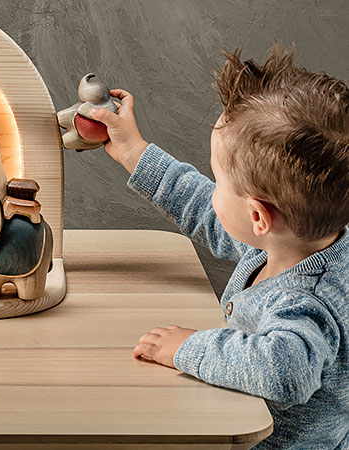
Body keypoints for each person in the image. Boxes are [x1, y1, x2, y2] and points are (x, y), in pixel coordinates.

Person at [88, 45, 348, 449]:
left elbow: (287, 372)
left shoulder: (306, 302)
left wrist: (187, 347)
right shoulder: (291, 240)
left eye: (219, 181)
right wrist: (133, 152)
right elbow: (205, 210)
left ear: (259, 217)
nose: (213, 193)